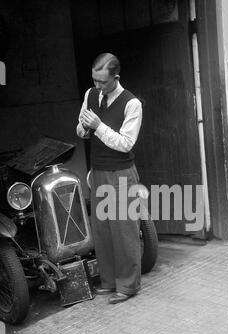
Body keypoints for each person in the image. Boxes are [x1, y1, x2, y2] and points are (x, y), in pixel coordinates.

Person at [76, 53, 143, 304]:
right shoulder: (90, 94)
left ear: (116, 77)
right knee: (102, 230)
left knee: (124, 231)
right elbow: (82, 129)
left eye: (103, 82)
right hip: (99, 171)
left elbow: (125, 143)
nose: (97, 87)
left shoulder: (131, 103)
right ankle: (109, 282)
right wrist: (84, 127)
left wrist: (98, 125)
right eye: (94, 80)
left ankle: (128, 286)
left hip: (121, 172)